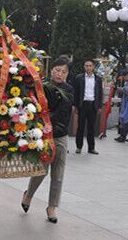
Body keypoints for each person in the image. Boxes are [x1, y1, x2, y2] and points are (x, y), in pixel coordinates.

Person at [21, 57, 75, 224]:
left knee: (58, 174)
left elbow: (63, 112)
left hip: (60, 136)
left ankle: (52, 207)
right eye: (57, 70)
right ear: (52, 70)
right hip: (43, 136)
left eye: (64, 72)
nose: (60, 74)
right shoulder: (41, 86)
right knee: (41, 171)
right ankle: (28, 195)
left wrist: (47, 118)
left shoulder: (69, 89)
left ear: (67, 74)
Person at [73, 60, 103, 154]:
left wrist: (99, 106)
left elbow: (100, 93)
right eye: (86, 65)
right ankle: (79, 147)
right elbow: (76, 93)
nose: (88, 67)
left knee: (91, 128)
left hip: (93, 105)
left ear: (93, 67)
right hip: (82, 105)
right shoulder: (79, 78)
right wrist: (75, 106)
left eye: (90, 66)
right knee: (80, 127)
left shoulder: (98, 79)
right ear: (84, 67)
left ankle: (91, 148)